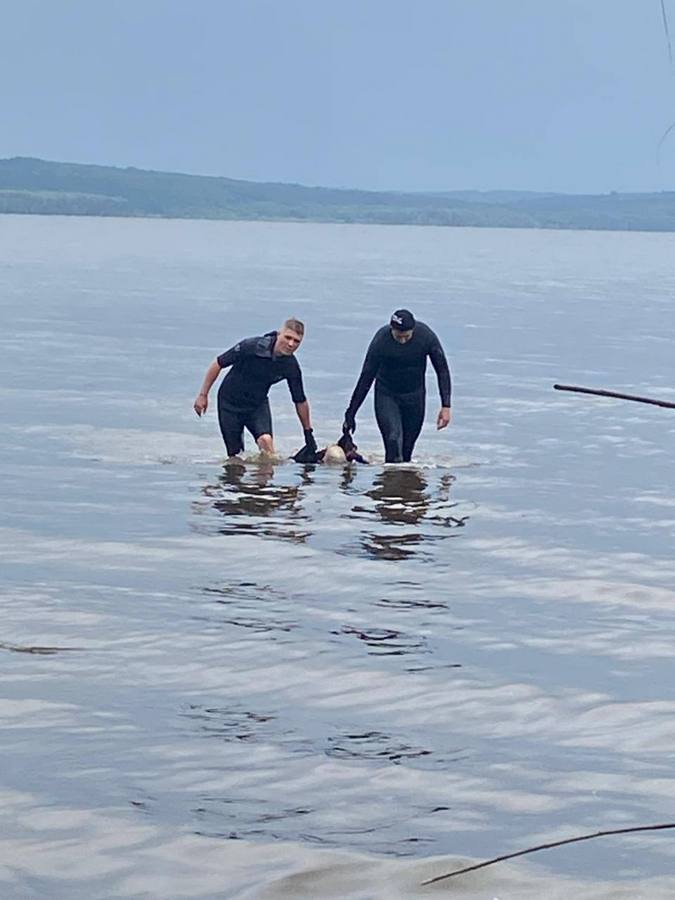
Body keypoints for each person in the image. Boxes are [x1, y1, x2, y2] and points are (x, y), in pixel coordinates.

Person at [193, 318, 316, 461]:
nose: (291, 344)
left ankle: (265, 475)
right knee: (235, 457)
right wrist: (203, 395)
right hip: (229, 404)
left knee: (266, 442)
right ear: (279, 334)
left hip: (257, 405)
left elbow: (300, 401)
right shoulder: (251, 346)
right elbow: (218, 363)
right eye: (288, 338)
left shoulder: (290, 366)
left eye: (296, 341)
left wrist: (308, 433)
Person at [343, 309, 451, 463]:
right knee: (393, 439)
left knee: (406, 451)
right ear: (391, 329)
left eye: (406, 336)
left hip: (415, 397)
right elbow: (366, 377)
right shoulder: (381, 341)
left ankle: (401, 478)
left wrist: (446, 406)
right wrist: (351, 412)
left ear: (413, 330)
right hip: (387, 395)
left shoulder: (426, 337)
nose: (402, 341)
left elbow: (442, 370)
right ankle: (390, 477)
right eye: (398, 336)